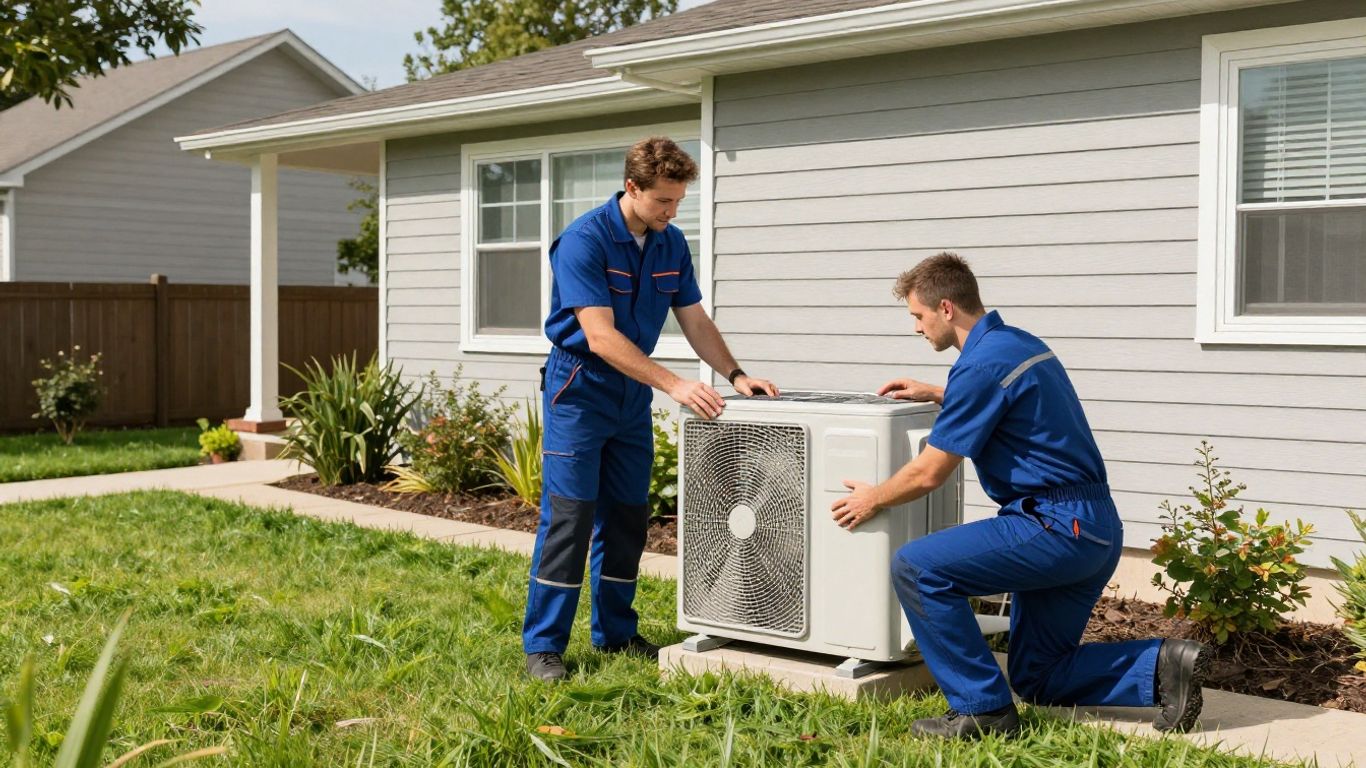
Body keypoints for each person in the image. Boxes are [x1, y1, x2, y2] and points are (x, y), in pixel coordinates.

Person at [830, 252, 1207, 739]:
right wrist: (943, 393)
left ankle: (982, 711)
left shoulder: (980, 368)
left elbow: (928, 473)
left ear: (946, 309)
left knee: (919, 568)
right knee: (1038, 675)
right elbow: (1012, 403)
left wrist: (873, 498)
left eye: (917, 316)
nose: (917, 328)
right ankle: (1162, 665)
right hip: (1094, 529)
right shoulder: (1016, 345)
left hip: (1053, 526)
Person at [523, 136, 778, 681]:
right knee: (569, 519)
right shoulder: (584, 241)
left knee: (628, 520)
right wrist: (674, 384)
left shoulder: (670, 242)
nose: (672, 211)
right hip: (580, 389)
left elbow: (693, 318)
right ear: (632, 188)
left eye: (679, 201)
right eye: (664, 201)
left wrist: (735, 374)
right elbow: (598, 335)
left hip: (631, 395)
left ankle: (615, 634)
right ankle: (544, 646)